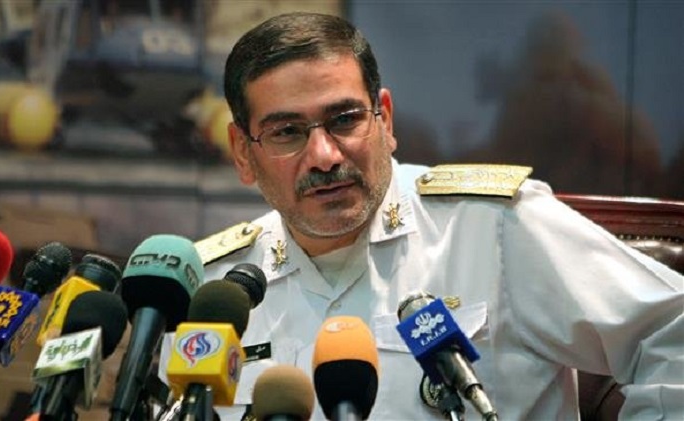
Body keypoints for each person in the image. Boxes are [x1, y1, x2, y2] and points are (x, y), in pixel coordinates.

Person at [160, 12, 683, 420]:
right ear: (243, 152)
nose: (323, 155)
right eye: (286, 132)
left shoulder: (492, 229)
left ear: (384, 120)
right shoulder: (214, 295)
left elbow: (671, 328)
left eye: (344, 119)